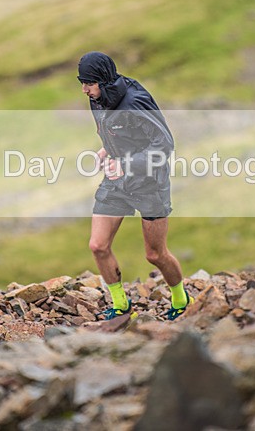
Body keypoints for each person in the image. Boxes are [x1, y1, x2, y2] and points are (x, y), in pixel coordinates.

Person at [77, 51, 193, 321]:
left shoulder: (134, 101)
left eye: (89, 83)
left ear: (104, 81)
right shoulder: (97, 98)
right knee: (98, 245)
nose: (84, 89)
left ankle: (181, 299)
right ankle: (121, 306)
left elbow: (164, 145)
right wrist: (106, 150)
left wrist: (127, 165)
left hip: (150, 182)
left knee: (155, 254)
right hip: (117, 180)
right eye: (82, 82)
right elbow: (117, 132)